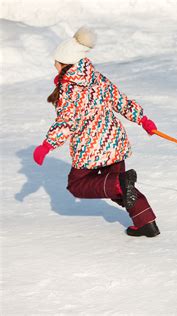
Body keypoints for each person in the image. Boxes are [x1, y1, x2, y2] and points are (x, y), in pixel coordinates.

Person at [33, 26, 160, 237]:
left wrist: (47, 145)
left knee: (78, 185)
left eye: (56, 61)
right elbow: (120, 100)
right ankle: (146, 221)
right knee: (120, 187)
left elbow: (66, 123)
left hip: (90, 147)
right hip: (114, 142)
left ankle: (121, 184)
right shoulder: (95, 76)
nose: (54, 64)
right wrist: (142, 119)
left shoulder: (69, 89)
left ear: (66, 63)